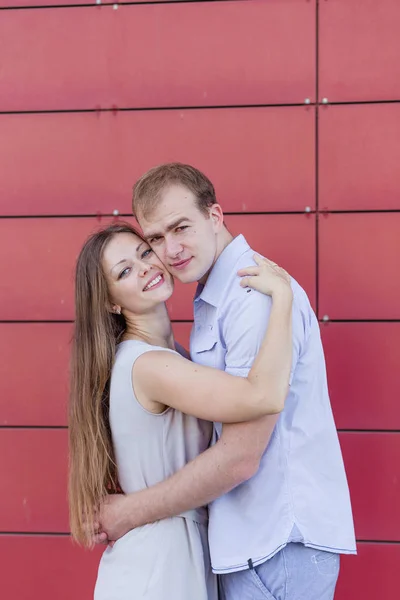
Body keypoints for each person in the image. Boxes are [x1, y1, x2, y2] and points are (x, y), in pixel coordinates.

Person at [94, 163, 357, 600]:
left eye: (181, 227)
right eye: (155, 239)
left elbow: (240, 454)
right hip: (251, 545)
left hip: (276, 543)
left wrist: (129, 512)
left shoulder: (253, 296)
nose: (170, 250)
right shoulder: (211, 302)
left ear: (215, 216)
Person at [68, 221, 294, 600]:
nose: (144, 268)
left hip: (170, 552)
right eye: (124, 271)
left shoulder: (173, 358)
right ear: (111, 302)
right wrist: (284, 299)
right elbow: (262, 397)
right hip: (158, 564)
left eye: (144, 253)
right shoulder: (149, 365)